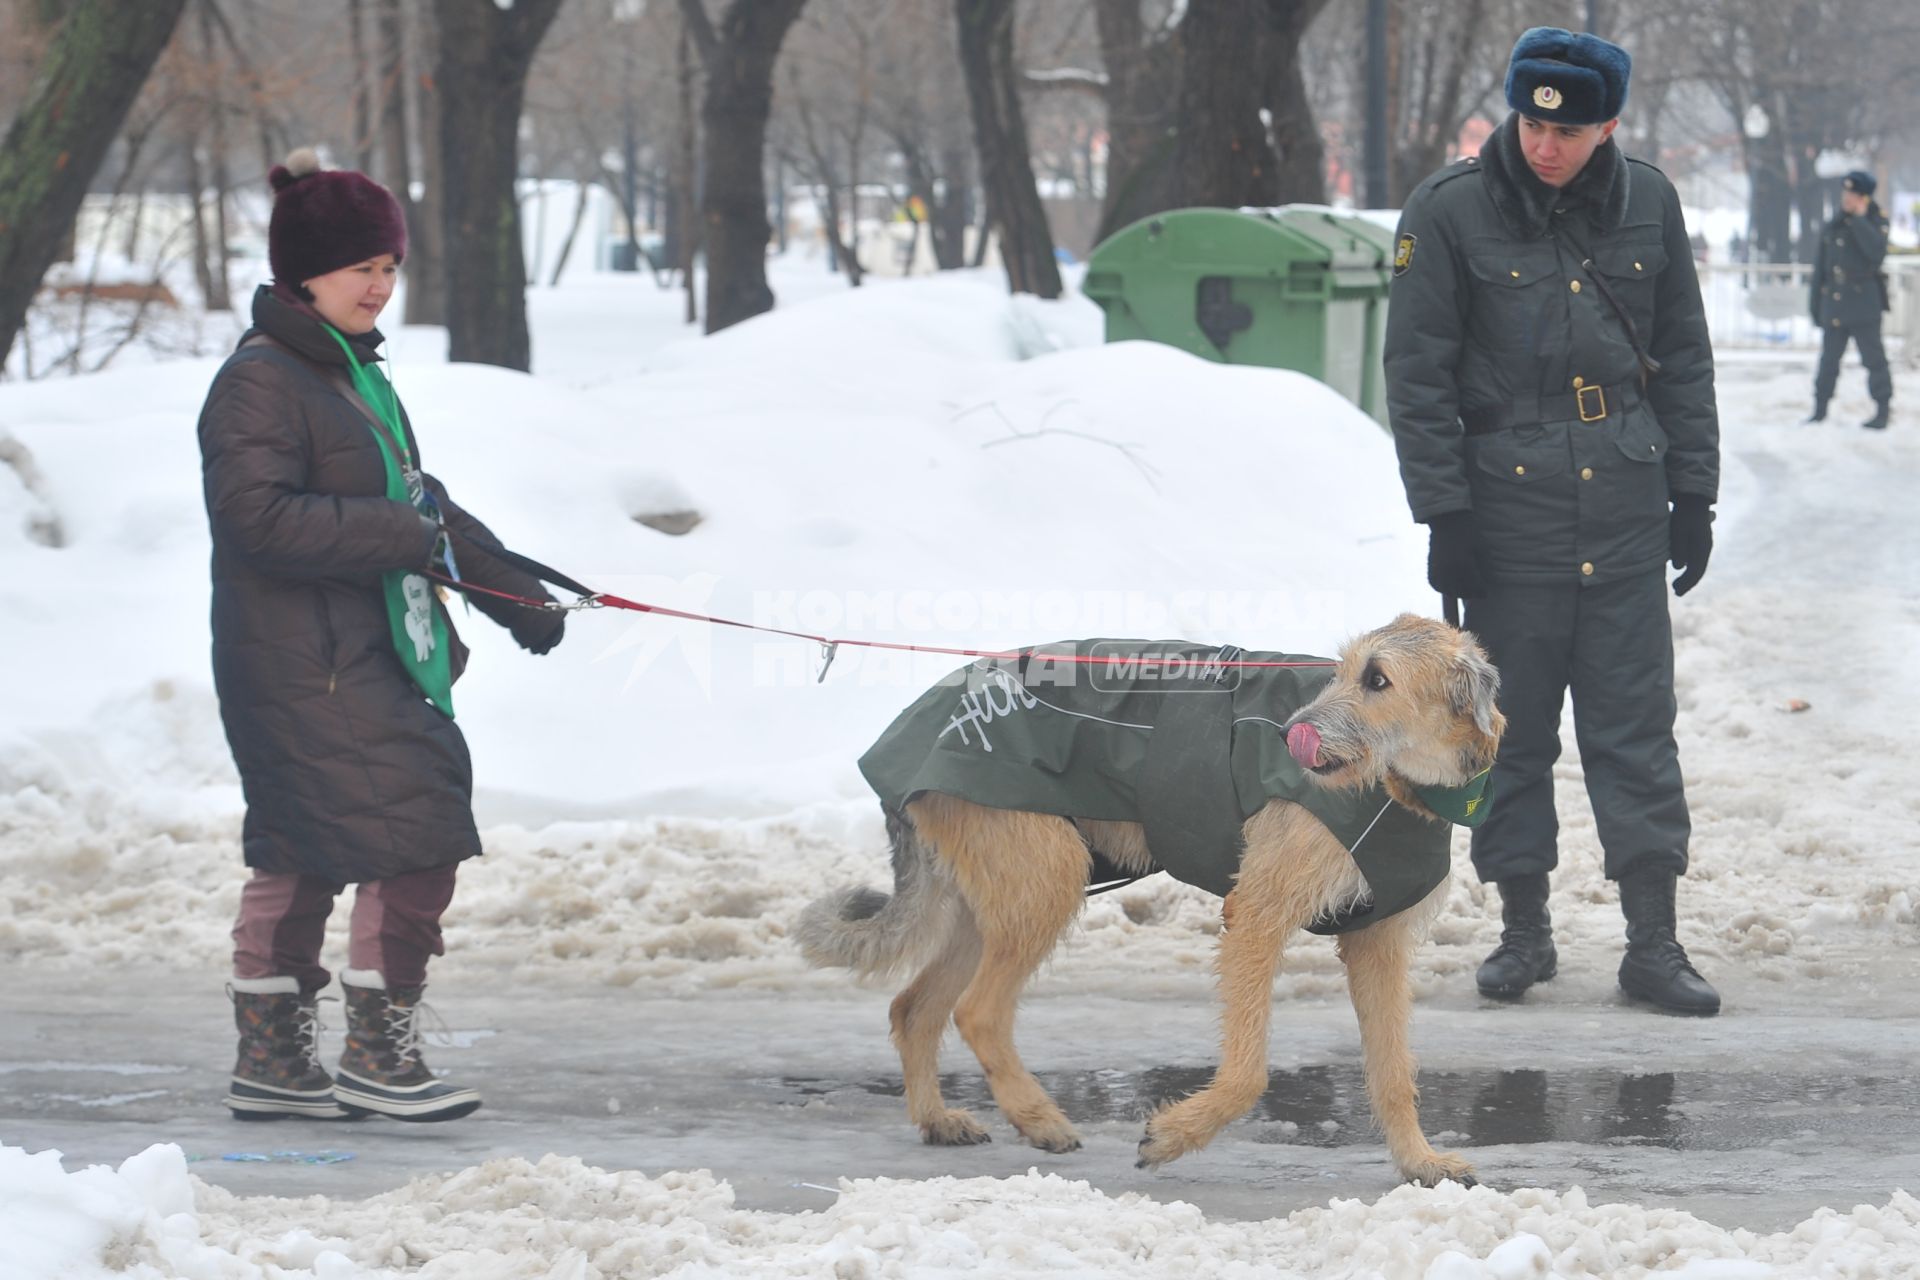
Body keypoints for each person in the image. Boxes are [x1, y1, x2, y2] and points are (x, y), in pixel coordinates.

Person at [198, 149, 567, 1122]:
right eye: (360, 265)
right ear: (302, 274)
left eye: (389, 266)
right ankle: (374, 1050)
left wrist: (515, 591)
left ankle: (274, 1062)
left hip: (340, 651)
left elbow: (418, 504)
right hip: (303, 662)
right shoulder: (263, 382)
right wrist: (404, 535)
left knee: (304, 844)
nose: (379, 284)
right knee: (417, 824)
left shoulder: (345, 376)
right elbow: (258, 519)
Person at [1383, 28, 1722, 1015]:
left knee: (1635, 730)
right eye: (1534, 123)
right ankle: (1522, 930)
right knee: (1510, 732)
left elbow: (1685, 358)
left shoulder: (1648, 201)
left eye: (1569, 130)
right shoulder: (1447, 212)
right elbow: (1417, 377)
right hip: (1507, 513)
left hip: (1622, 507)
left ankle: (1653, 943)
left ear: (1608, 125)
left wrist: (1692, 494)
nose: (1546, 145)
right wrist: (1444, 511)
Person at [1807, 169, 1892, 430]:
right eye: (1846, 193)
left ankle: (1882, 409)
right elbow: (1822, 267)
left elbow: (1876, 254)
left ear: (1864, 197)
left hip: (1864, 304)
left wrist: (1859, 220)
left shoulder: (1875, 221)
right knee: (1829, 360)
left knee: (1874, 359)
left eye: (1853, 194)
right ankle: (1820, 409)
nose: (1847, 198)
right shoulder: (1835, 223)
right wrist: (1815, 304)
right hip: (1836, 303)